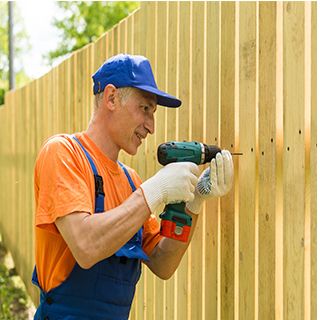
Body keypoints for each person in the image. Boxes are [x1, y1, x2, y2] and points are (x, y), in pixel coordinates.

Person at [32, 54, 234, 320]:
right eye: (145, 109)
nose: (151, 126)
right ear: (112, 98)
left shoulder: (131, 181)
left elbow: (163, 263)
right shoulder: (64, 154)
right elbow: (86, 247)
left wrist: (193, 203)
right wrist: (153, 192)